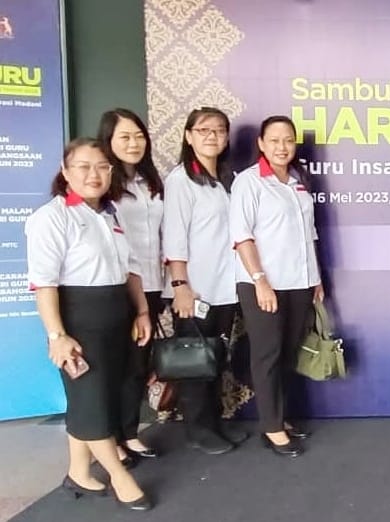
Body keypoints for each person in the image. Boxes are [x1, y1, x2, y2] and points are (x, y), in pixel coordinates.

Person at [25, 138, 153, 511]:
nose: (93, 174)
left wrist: (142, 311)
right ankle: (120, 476)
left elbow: (130, 269)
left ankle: (79, 473)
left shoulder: (110, 214)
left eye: (101, 166)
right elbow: (44, 284)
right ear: (65, 172)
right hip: (78, 320)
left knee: (97, 398)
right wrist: (57, 335)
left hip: (116, 314)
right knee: (90, 399)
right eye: (83, 166)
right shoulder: (51, 217)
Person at [229, 115, 324, 457]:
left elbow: (309, 235)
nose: (282, 147)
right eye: (274, 140)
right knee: (267, 355)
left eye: (288, 140)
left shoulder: (298, 181)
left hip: (299, 283)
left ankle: (279, 417)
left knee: (287, 354)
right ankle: (271, 429)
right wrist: (260, 281)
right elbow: (242, 236)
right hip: (264, 284)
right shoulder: (249, 182)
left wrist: (315, 278)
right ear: (261, 144)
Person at [162, 107, 246, 454]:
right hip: (194, 288)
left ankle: (213, 422)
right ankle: (197, 430)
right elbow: (174, 238)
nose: (212, 136)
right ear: (188, 136)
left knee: (214, 357)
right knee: (194, 360)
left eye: (220, 130)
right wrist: (180, 286)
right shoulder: (181, 180)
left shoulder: (229, 178)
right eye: (204, 130)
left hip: (225, 287)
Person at [98, 108, 164, 463]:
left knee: (138, 365)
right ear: (108, 141)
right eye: (125, 137)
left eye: (139, 136)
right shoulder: (102, 184)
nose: (134, 143)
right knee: (114, 367)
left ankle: (129, 432)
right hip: (116, 287)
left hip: (151, 284)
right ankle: (108, 439)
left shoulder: (150, 181)